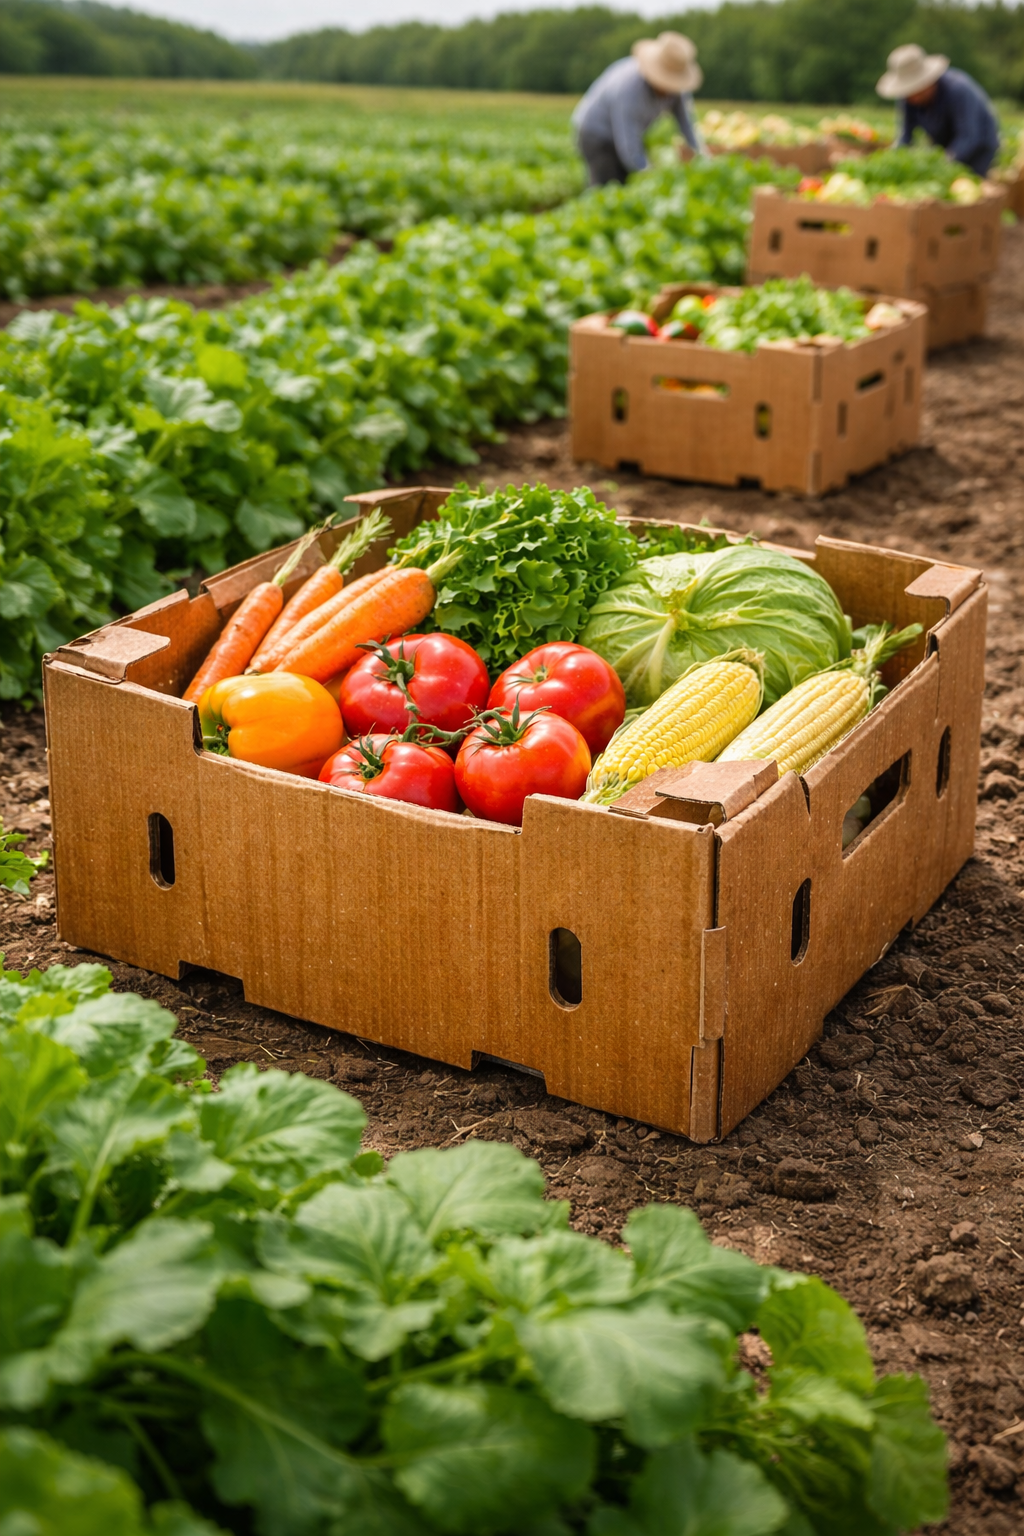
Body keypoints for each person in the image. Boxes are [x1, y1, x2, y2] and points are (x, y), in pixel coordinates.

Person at [573, 32, 704, 188]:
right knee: (607, 187)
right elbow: (628, 141)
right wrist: (647, 173)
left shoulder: (676, 92)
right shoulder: (629, 88)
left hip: (623, 135)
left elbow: (686, 123)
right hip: (596, 134)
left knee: (626, 185)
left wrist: (701, 156)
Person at [876, 43, 999, 178]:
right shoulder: (908, 98)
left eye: (916, 90)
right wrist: (895, 160)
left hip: (979, 146)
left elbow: (969, 136)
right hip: (945, 145)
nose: (912, 97)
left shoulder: (958, 89)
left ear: (928, 81)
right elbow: (906, 135)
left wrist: (940, 165)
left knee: (968, 184)